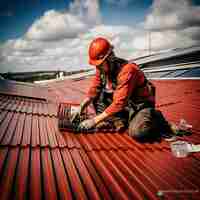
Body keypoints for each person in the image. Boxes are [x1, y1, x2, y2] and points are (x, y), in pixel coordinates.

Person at [72, 37, 171, 140]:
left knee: (138, 132)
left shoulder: (128, 70)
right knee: (98, 97)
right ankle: (120, 120)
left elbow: (120, 102)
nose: (98, 68)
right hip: (126, 104)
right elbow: (94, 89)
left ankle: (154, 117)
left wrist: (94, 121)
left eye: (100, 65)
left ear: (109, 58)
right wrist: (81, 107)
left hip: (140, 104)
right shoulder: (102, 68)